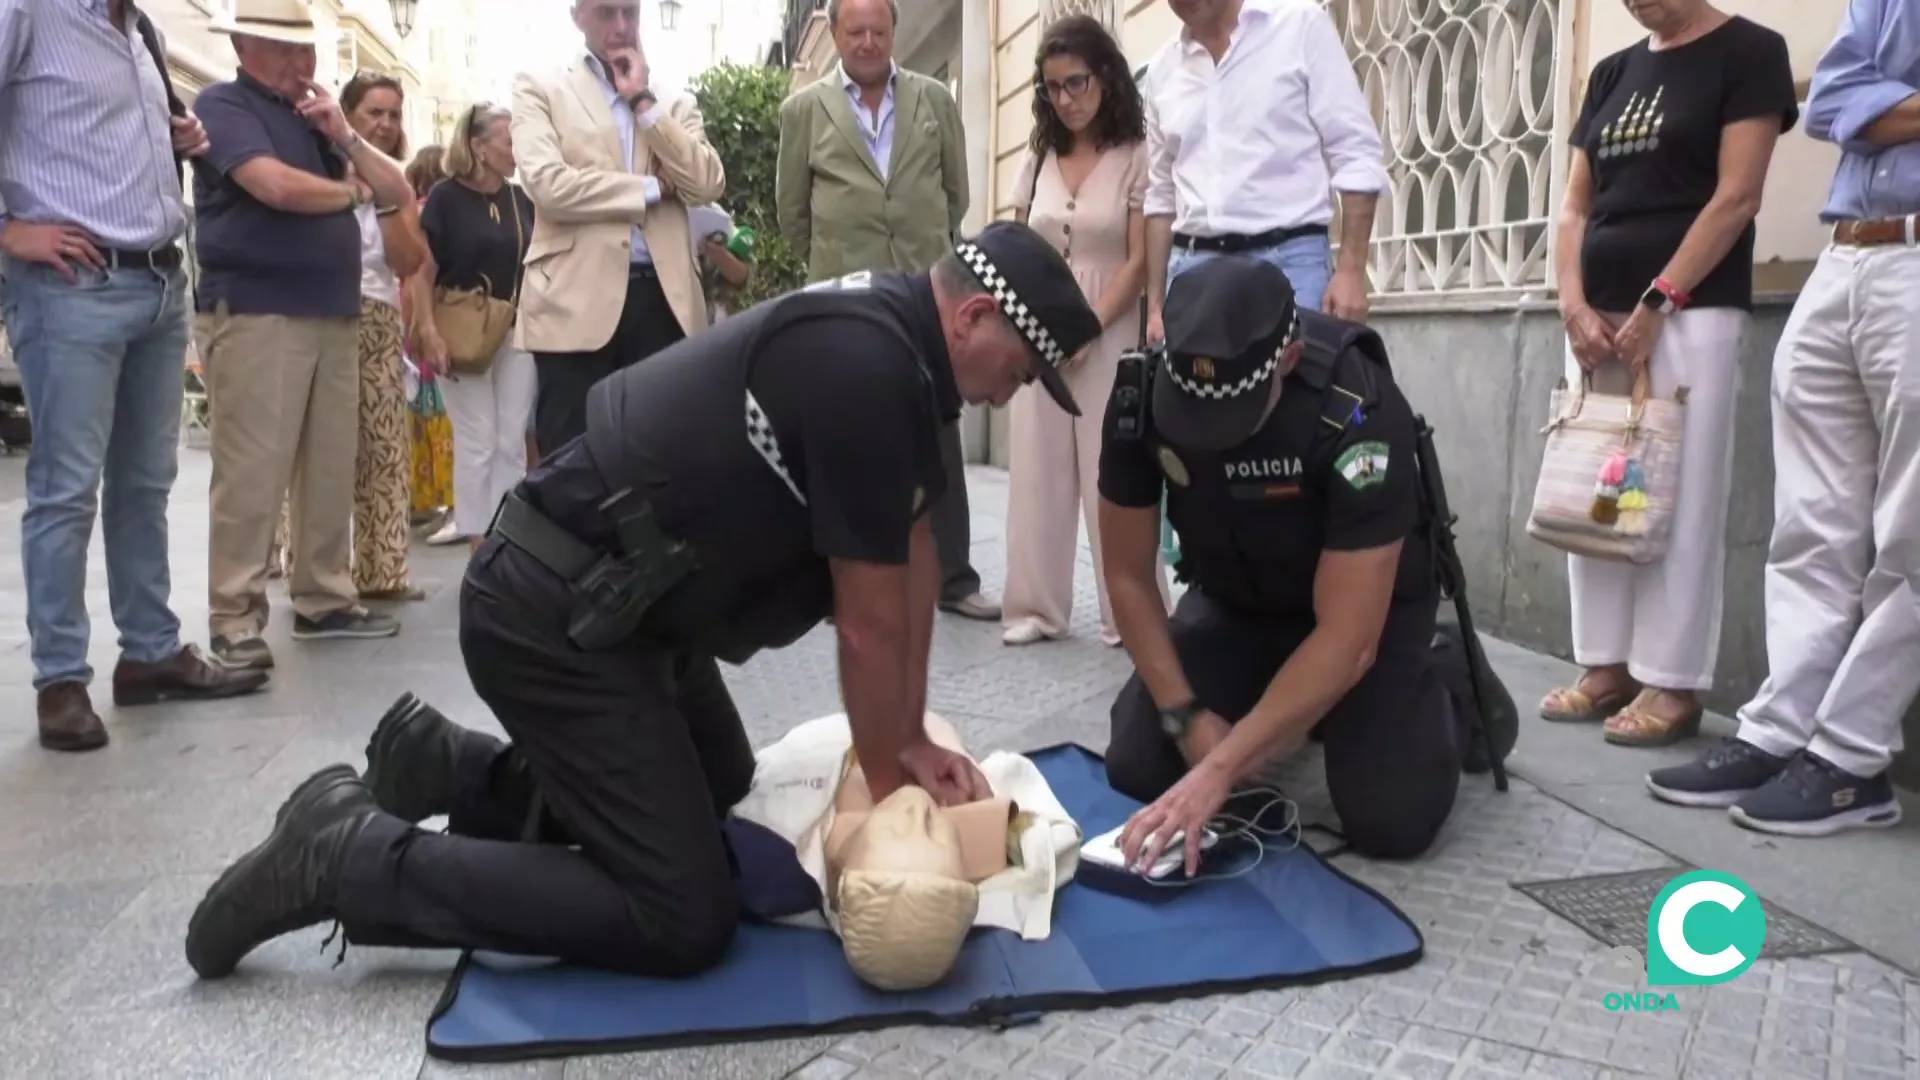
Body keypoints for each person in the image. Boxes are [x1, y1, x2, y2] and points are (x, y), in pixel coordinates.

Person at [183, 221, 1103, 981]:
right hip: (552, 614)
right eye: (1021, 370)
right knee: (682, 914)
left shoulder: (893, 345)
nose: (1013, 391)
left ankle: (451, 771)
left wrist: (905, 736)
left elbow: (910, 552)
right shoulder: (869, 369)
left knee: (721, 798)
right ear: (977, 315)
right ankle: (344, 858)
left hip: (630, 612)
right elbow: (865, 625)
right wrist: (896, 787)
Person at [1646, 0, 1919, 836]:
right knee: (1810, 522)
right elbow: (1833, 102)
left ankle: (1850, 755)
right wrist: (1874, 107)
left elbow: (1862, 110)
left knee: (1911, 530)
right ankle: (1780, 730)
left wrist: (1887, 106)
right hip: (1845, 257)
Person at [1097, 255, 1460, 869]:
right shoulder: (1141, 398)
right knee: (1139, 762)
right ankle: (1288, 707)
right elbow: (1128, 576)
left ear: (1288, 363)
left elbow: (1348, 638)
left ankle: (1441, 680)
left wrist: (1222, 763)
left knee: (1393, 819)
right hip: (1236, 600)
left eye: (1229, 421)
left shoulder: (1356, 409)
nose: (1209, 437)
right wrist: (1187, 719)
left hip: (1360, 618)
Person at [0, 0, 269, 750]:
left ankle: (149, 653)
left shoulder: (140, 28)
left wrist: (175, 140)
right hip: (71, 288)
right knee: (64, 490)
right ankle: (60, 679)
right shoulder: (27, 12)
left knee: (146, 482)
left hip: (156, 280)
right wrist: (8, 229)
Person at [1539, 1, 1797, 746]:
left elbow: (1737, 196)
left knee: (1678, 496)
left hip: (1691, 312)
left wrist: (1661, 299)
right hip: (1597, 318)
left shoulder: (1750, 52)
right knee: (1603, 490)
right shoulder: (1615, 71)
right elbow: (1574, 205)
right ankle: (1605, 666)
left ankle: (1672, 681)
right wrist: (1571, 302)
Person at [192, 0, 414, 669]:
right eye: (286, 49)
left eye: (306, 49)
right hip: (258, 308)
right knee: (253, 469)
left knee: (328, 464)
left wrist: (346, 136)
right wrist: (346, 194)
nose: (302, 63)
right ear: (246, 46)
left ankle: (324, 596)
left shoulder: (319, 120)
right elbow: (273, 188)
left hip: (332, 307)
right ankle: (234, 613)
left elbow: (396, 187)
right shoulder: (222, 105)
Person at [775, 0, 998, 623]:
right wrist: (837, 259)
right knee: (845, 440)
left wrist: (931, 253)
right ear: (837, 35)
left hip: (928, 292)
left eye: (878, 30)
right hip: (844, 299)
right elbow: (793, 215)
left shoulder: (933, 100)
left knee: (939, 433)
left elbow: (957, 194)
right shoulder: (804, 111)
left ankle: (955, 578)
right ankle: (836, 583)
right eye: (855, 32)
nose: (868, 42)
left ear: (894, 32)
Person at [1002, 15, 1171, 649]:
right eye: (1052, 88)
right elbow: (1015, 240)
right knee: (1038, 465)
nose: (1066, 99)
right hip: (1035, 325)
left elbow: (1139, 259)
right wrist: (1030, 323)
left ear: (1104, 77)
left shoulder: (1135, 154)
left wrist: (1089, 328)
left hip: (1110, 320)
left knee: (1114, 467)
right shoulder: (1038, 155)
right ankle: (1035, 609)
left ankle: (1126, 610)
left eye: (1076, 83)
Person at [511, 0, 726, 458]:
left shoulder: (670, 101)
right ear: (577, 16)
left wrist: (643, 104)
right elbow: (549, 186)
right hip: (573, 301)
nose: (622, 26)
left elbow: (705, 182)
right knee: (571, 462)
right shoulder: (541, 89)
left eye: (630, 12)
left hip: (664, 302)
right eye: (607, 13)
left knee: (664, 458)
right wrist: (649, 188)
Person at [1139, 0, 1388, 340]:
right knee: (1191, 393)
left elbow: (1355, 150)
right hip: (1193, 270)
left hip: (1291, 265)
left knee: (1296, 391)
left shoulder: (1299, 27)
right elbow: (1161, 196)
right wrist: (1155, 305)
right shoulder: (1162, 71)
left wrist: (1351, 271)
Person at [410, 103, 538, 556]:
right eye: (509, 140)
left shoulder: (521, 200)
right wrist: (427, 331)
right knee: (477, 440)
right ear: (478, 146)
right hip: (460, 330)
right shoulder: (445, 197)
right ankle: (480, 544)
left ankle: (511, 539)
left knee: (511, 439)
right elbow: (423, 271)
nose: (516, 149)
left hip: (515, 330)